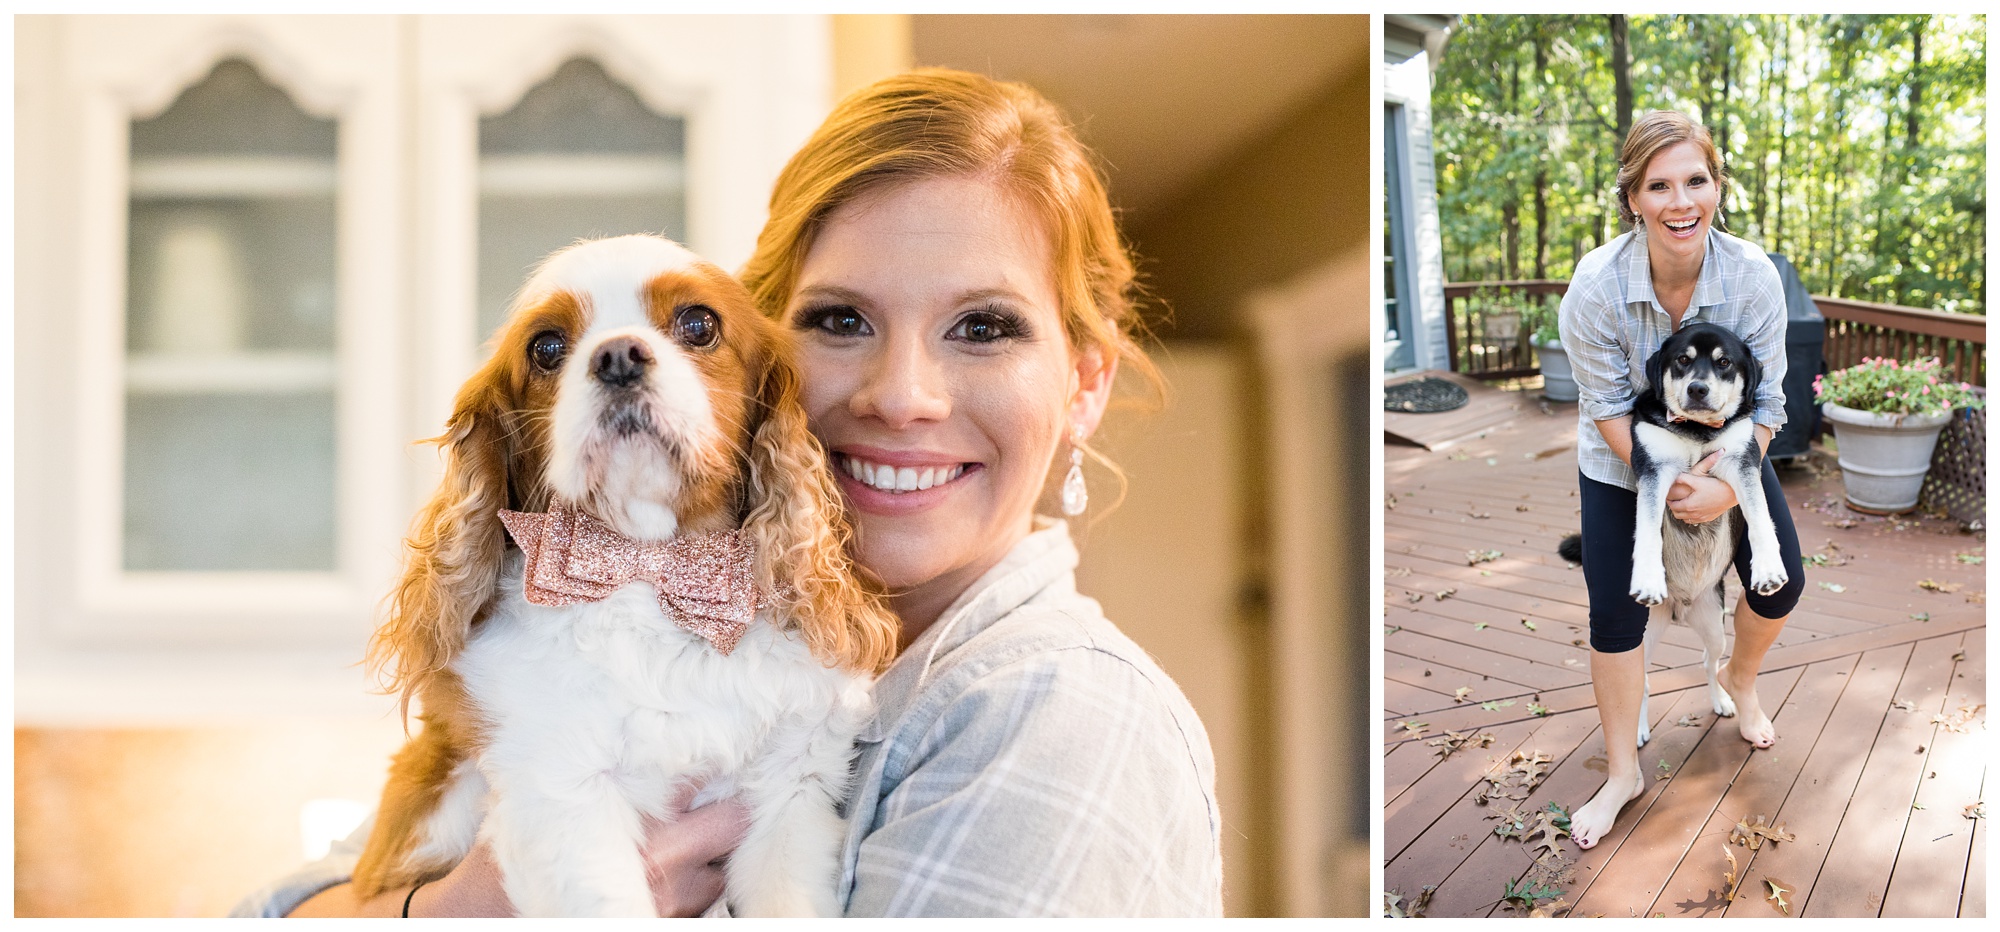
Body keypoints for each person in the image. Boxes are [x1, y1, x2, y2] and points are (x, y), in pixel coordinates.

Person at [243, 68, 1222, 917]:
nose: (901, 396)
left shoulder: (1055, 717)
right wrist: (456, 908)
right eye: (838, 318)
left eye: (983, 327)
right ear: (770, 371)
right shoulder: (600, 638)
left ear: (1083, 381)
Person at [1557, 110, 1805, 850]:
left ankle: (1740, 677)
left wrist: (1728, 487)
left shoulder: (1753, 277)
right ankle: (1623, 774)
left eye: (1695, 180)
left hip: (1733, 453)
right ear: (1632, 197)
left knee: (1780, 582)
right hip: (1620, 458)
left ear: (1717, 186)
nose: (1680, 201)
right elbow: (1603, 405)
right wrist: (1661, 483)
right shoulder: (1596, 287)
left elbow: (1769, 401)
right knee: (1617, 615)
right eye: (1658, 185)